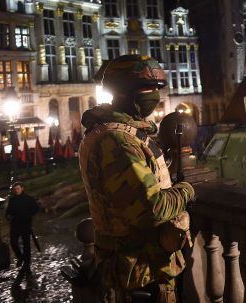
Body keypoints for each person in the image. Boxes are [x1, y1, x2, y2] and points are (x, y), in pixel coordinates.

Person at [79, 55, 195, 303]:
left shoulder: (125, 133)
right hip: (139, 274)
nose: (154, 95)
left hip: (146, 270)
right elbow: (152, 209)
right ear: (123, 91)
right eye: (146, 88)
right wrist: (186, 191)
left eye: (156, 89)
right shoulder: (117, 141)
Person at [5, 181, 39, 273]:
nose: (16, 191)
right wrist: (8, 216)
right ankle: (20, 257)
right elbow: (8, 212)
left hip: (25, 224)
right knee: (13, 242)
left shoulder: (29, 199)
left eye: (18, 189)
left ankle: (27, 263)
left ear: (22, 188)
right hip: (15, 225)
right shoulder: (12, 200)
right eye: (15, 189)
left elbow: (36, 209)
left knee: (26, 245)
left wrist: (29, 215)